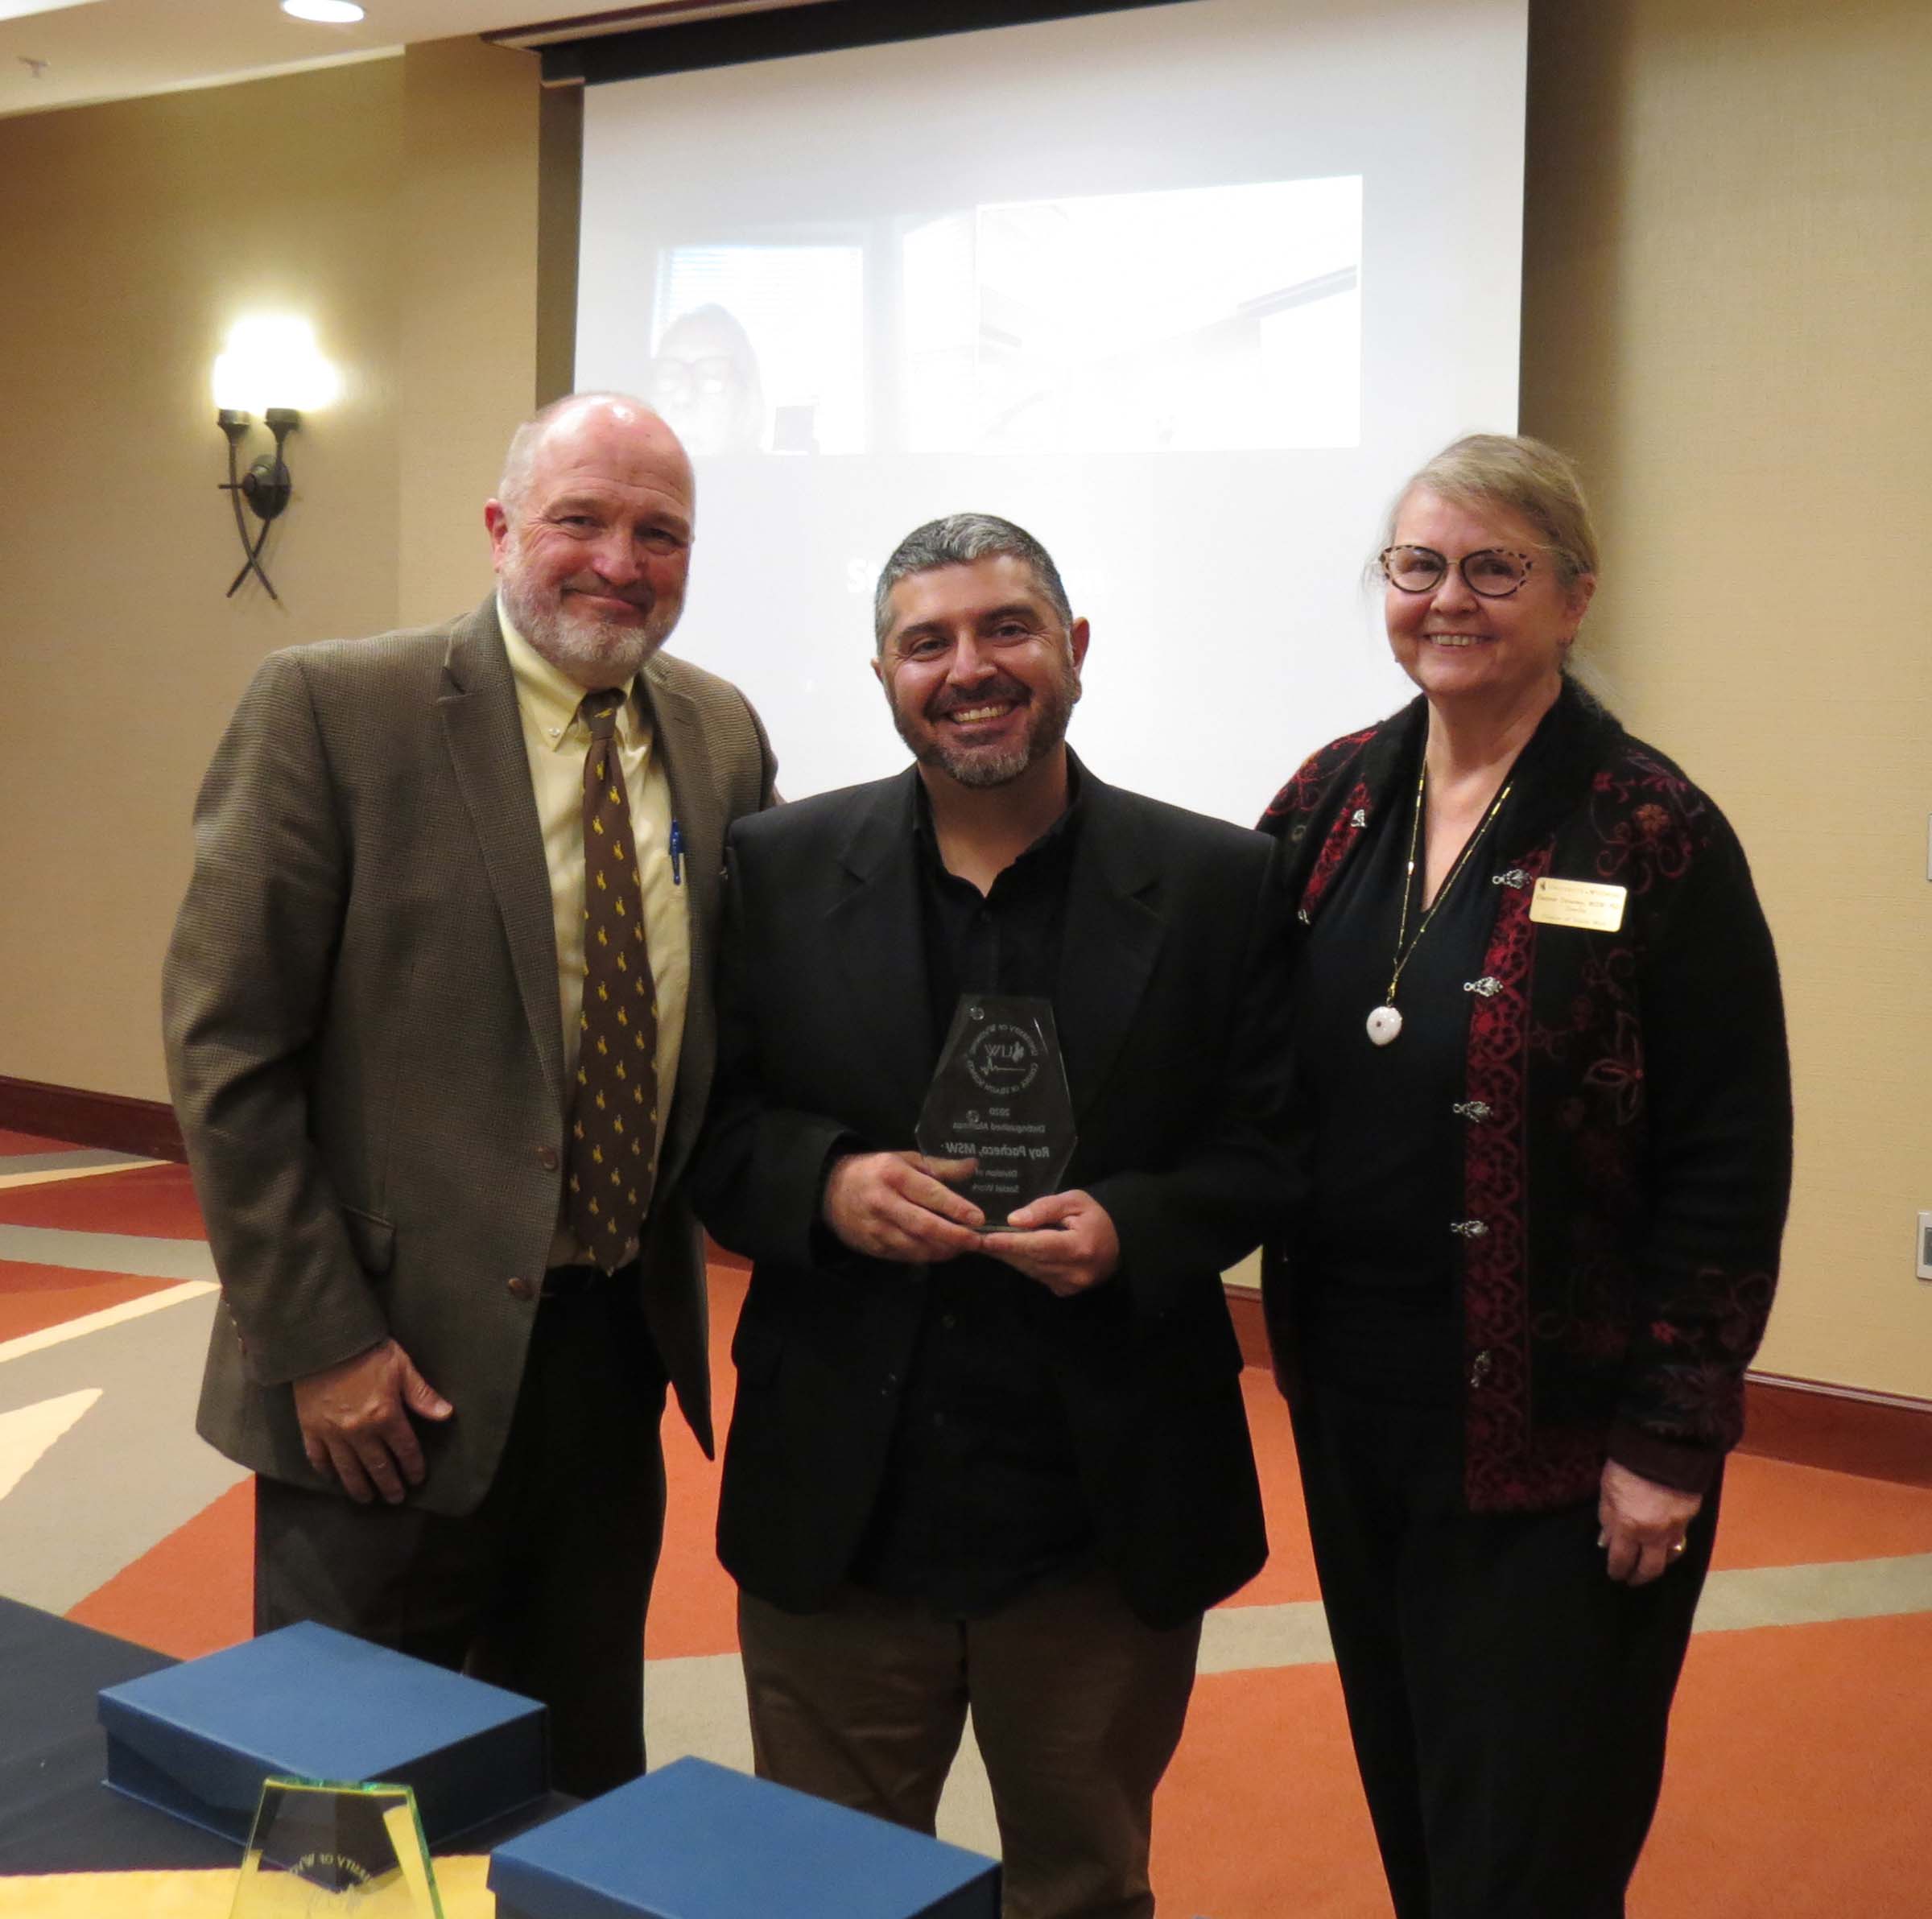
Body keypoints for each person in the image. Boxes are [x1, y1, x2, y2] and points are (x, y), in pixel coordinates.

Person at [162, 392, 776, 1797]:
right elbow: (225, 1046)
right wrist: (318, 1341)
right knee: (345, 1803)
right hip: (384, 1376)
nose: (620, 560)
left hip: (612, 1354)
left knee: (568, 1775)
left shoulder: (721, 735)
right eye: (581, 520)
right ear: (502, 530)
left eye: (659, 533)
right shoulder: (334, 709)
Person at [692, 514, 1295, 1919]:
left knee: (1083, 1885)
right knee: (823, 1890)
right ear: (885, 673)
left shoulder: (1218, 885)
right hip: (843, 1501)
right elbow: (713, 1137)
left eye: (1006, 629)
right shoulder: (775, 870)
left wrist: (1136, 1230)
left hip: (1099, 1509)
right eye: (928, 642)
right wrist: (828, 1183)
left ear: (1074, 649)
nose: (970, 667)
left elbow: (1273, 1151)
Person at [1257, 433, 1792, 1917]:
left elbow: (1730, 1156)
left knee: (1537, 1841)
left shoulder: (1652, 827)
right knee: (1423, 1795)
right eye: (1418, 565)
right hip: (1359, 1401)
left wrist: (1673, 1438)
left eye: (1496, 569)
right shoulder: (1326, 803)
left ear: (1575, 597)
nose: (1449, 599)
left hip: (1567, 1432)